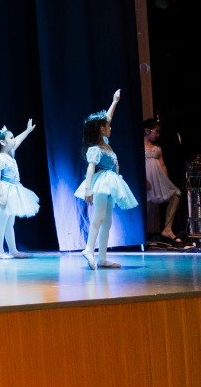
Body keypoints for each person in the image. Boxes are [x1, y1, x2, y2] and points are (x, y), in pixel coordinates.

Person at [74, 90, 138, 269]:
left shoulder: (104, 142)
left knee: (107, 221)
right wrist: (88, 189)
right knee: (99, 217)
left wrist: (114, 102)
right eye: (107, 126)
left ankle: (102, 257)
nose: (110, 127)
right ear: (102, 129)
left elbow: (107, 118)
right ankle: (88, 249)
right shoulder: (96, 148)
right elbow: (90, 169)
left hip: (110, 183)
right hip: (101, 184)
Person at [0, 119, 41, 259]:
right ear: (3, 142)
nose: (14, 140)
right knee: (1, 222)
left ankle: (13, 250)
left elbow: (17, 140)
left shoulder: (10, 153)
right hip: (4, 191)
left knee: (10, 223)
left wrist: (27, 131)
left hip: (14, 190)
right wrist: (1, 195)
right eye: (10, 138)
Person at [143, 118, 182, 243]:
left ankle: (167, 229)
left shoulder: (157, 147)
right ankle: (142, 233)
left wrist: (167, 182)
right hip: (146, 179)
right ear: (147, 131)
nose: (158, 135)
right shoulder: (139, 145)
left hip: (158, 179)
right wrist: (143, 179)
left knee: (175, 195)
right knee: (146, 204)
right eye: (156, 131)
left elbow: (162, 164)